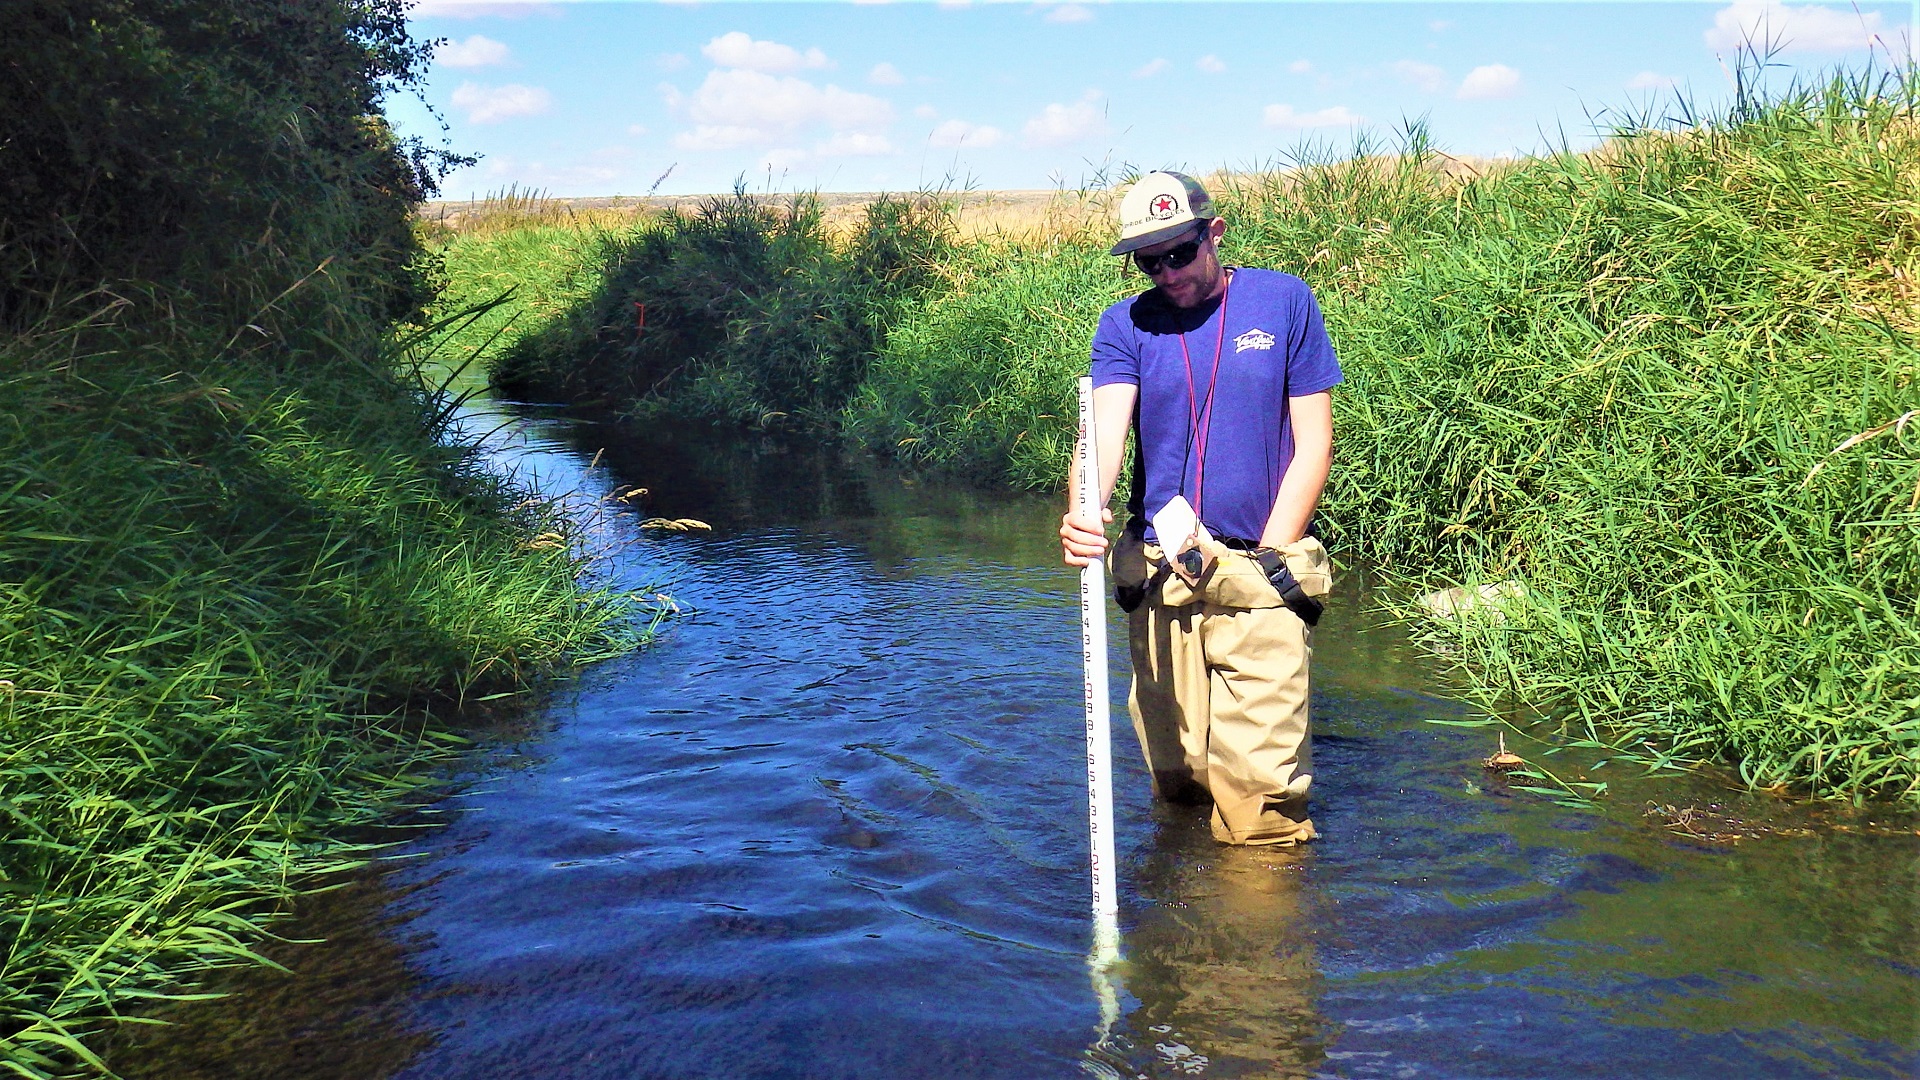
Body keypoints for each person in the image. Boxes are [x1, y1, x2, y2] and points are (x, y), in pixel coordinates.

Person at [1060, 170, 1341, 846]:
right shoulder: (1125, 323)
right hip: (1160, 576)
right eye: (1148, 261)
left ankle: (1262, 944)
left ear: (1214, 232)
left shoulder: (1283, 303)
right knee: (1178, 788)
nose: (1166, 273)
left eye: (1178, 253)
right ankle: (1182, 935)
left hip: (1259, 574)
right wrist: (1081, 511)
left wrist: (1271, 560)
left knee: (1259, 815)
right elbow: (1101, 440)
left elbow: (1314, 443)